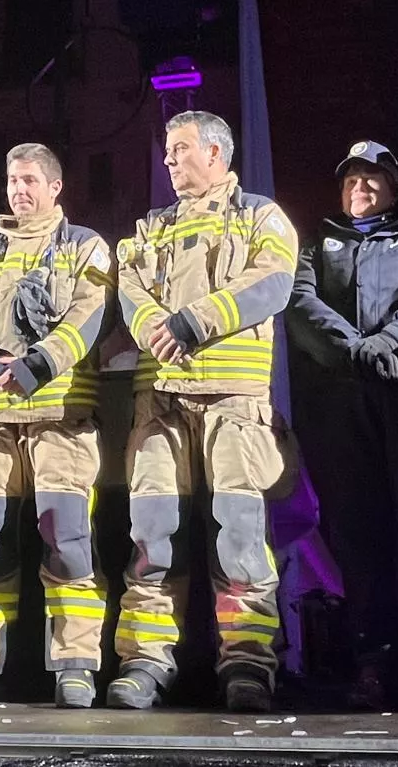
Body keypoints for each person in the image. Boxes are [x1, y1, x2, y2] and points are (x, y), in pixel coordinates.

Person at [109, 111, 297, 713]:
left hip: (236, 403)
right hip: (158, 402)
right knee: (152, 536)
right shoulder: (148, 228)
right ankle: (146, 661)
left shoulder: (260, 215)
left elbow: (274, 281)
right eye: (167, 148)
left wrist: (194, 321)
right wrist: (153, 327)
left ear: (216, 154)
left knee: (240, 538)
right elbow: (130, 287)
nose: (169, 159)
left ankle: (247, 663)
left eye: (181, 148)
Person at [286, 141, 398, 710]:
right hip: (341, 406)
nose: (359, 189)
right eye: (350, 181)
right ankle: (372, 663)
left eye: (371, 180)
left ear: (394, 186)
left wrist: (394, 336)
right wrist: (353, 350)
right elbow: (298, 300)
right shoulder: (318, 243)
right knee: (355, 534)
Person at [0, 143, 115, 708]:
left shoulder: (84, 246)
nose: (19, 190)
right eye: (12, 180)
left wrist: (39, 364)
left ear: (56, 187)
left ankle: (76, 667)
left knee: (68, 539)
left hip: (61, 416)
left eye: (30, 180)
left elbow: (92, 312)